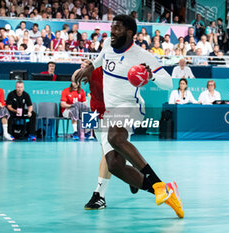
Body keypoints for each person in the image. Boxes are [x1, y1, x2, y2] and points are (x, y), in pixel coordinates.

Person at [75, 15, 184, 218]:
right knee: (115, 164)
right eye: (112, 27)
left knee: (115, 138)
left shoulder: (142, 55)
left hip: (130, 106)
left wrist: (151, 76)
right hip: (110, 110)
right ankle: (165, 191)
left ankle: (157, 182)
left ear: (130, 33)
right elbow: (101, 59)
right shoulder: (108, 43)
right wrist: (89, 67)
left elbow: (168, 82)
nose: (112, 32)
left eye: (117, 28)